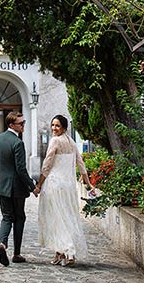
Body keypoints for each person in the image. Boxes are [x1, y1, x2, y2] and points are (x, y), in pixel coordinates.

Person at [35, 114, 93, 266]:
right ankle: (60, 254)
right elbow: (81, 164)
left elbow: (47, 165)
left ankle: (69, 251)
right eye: (53, 125)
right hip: (68, 187)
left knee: (56, 220)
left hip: (54, 185)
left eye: (57, 126)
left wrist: (39, 184)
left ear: (64, 128)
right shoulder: (72, 142)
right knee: (67, 217)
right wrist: (88, 183)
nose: (54, 128)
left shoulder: (55, 141)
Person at [0, 111, 39, 266]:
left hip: (1, 186)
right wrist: (32, 187)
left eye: (24, 122)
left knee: (7, 217)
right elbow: (21, 169)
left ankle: (2, 244)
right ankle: (17, 254)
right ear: (12, 125)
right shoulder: (18, 143)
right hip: (16, 188)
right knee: (19, 218)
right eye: (21, 123)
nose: (23, 125)